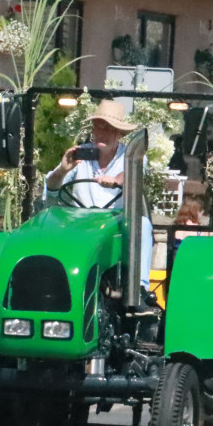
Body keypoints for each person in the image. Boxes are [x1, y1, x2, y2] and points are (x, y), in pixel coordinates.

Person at [45, 100, 155, 304]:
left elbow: (131, 175)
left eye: (108, 128)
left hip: (116, 224)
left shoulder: (132, 156)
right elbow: (51, 187)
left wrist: (115, 181)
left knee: (143, 224)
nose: (101, 133)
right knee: (49, 224)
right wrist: (63, 169)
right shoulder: (81, 155)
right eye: (98, 127)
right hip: (79, 223)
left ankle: (138, 289)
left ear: (119, 133)